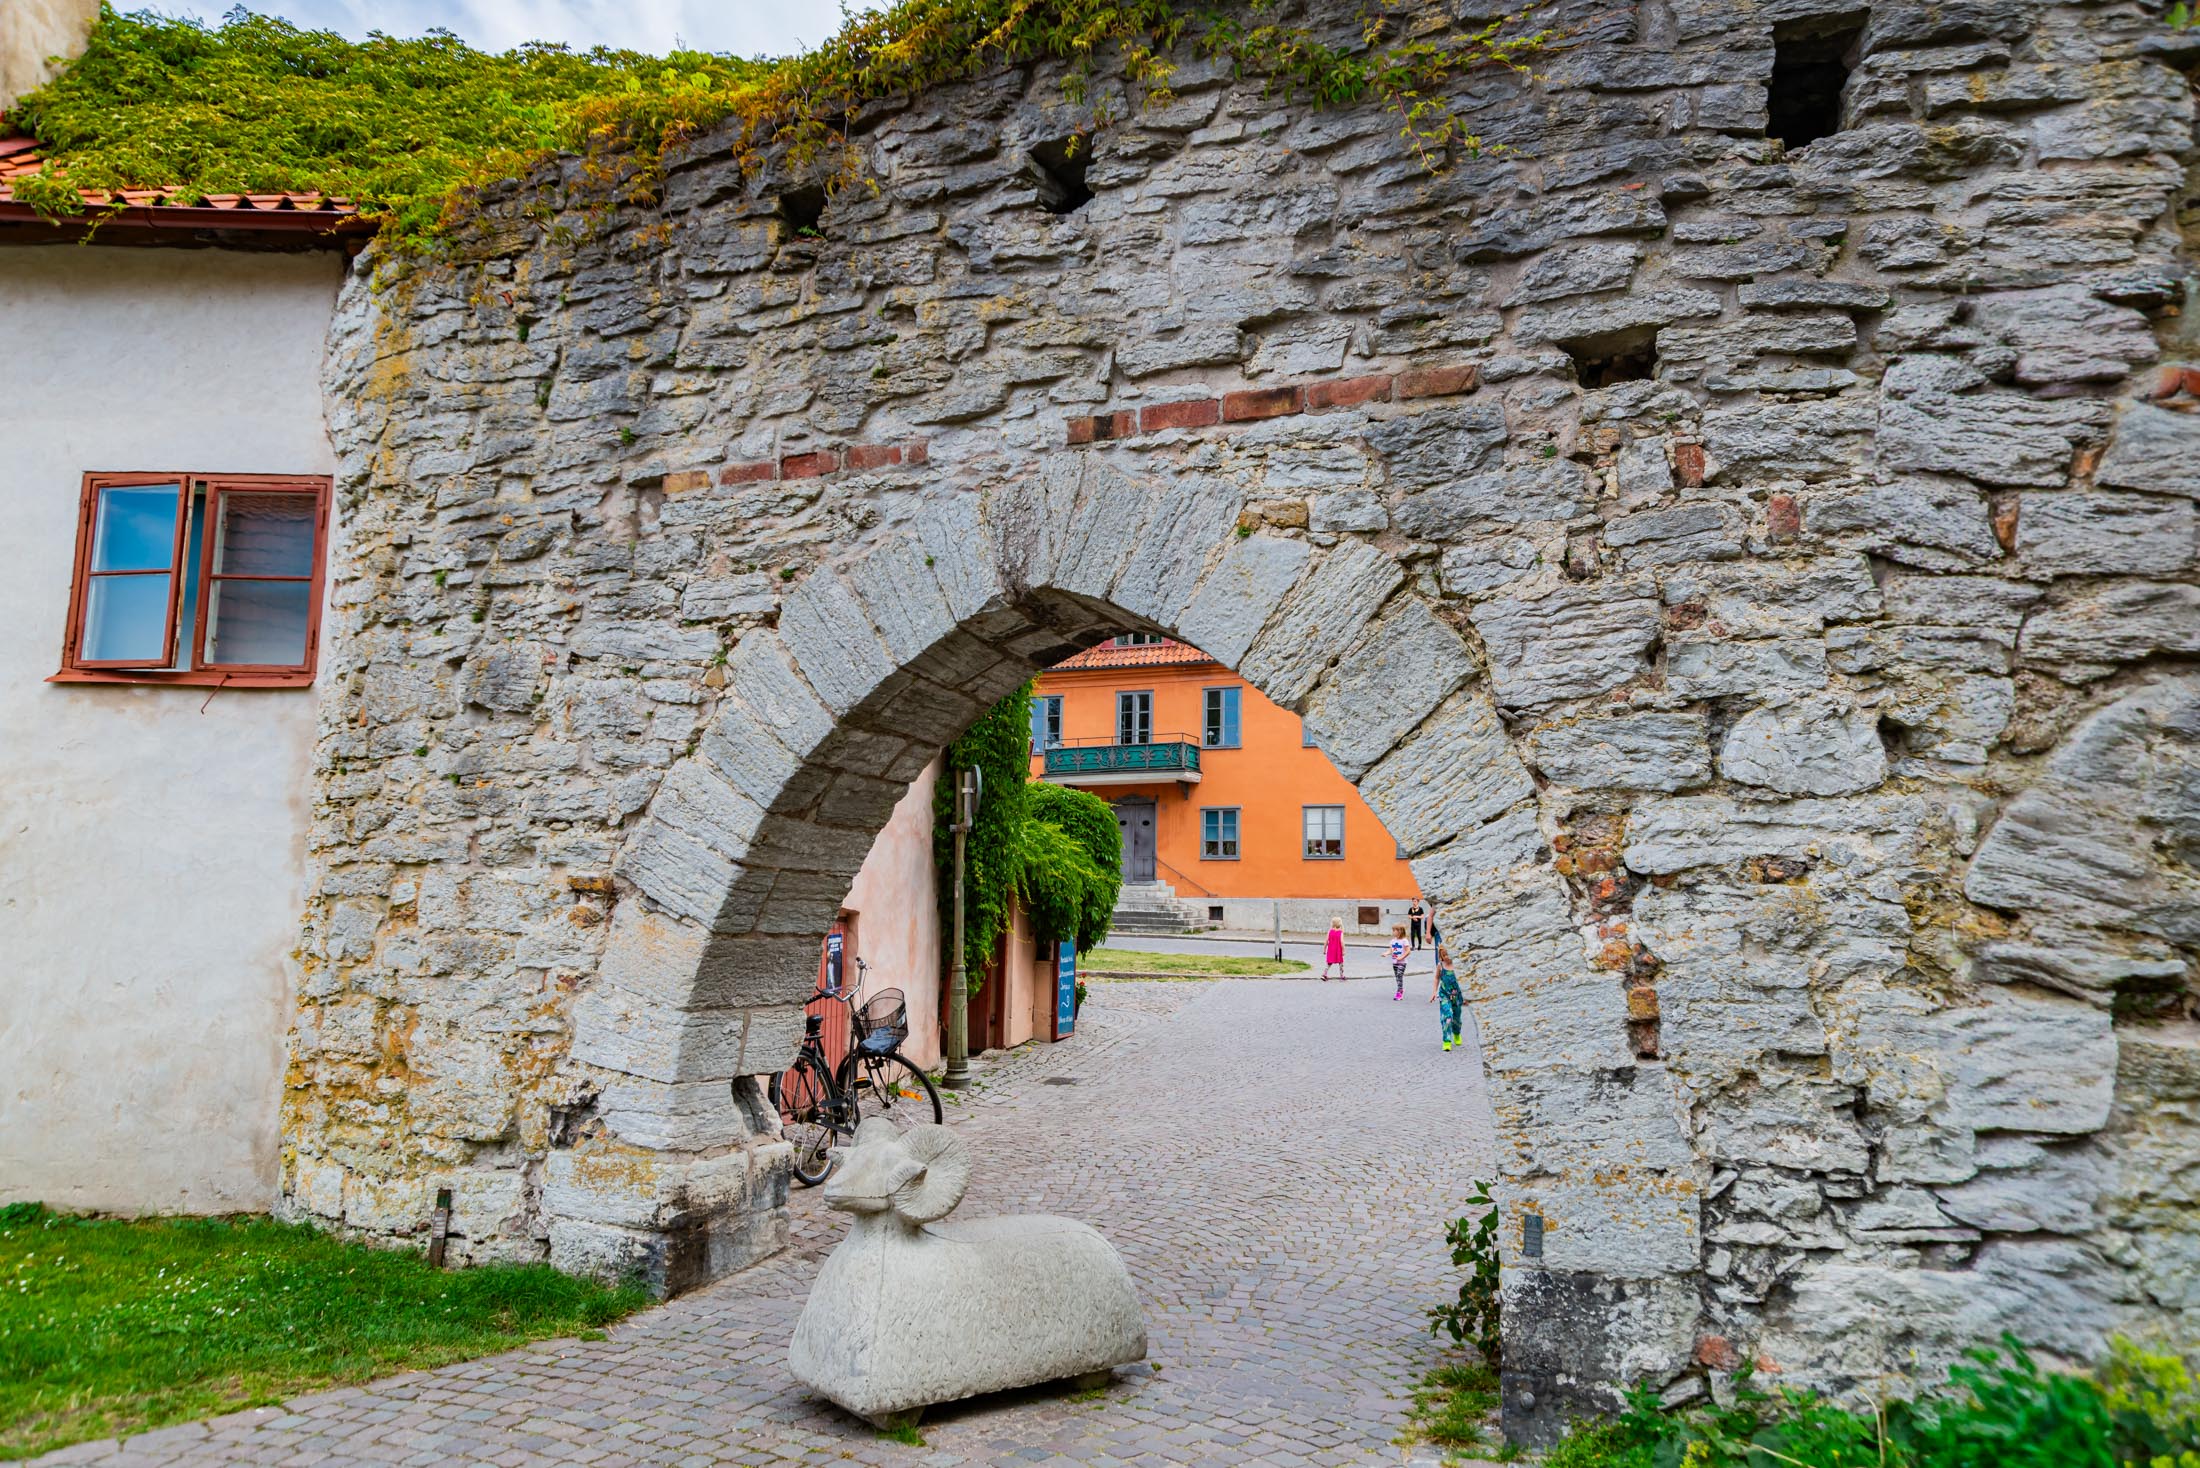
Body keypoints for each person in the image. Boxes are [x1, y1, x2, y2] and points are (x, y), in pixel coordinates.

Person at [1429, 943, 1465, 1052]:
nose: (1446, 958)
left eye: (1448, 955)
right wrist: (1434, 992)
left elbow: (1465, 982)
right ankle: (1447, 1040)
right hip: (1444, 995)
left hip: (1457, 996)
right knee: (1447, 1016)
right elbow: (1436, 978)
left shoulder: (1459, 965)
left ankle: (1457, 1033)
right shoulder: (1440, 965)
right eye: (1444, 955)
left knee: (1457, 1018)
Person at [1388, 923, 1409, 1000]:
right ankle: (1400, 989)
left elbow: (1408, 951)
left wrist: (1401, 957)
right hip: (1395, 962)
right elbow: (1391, 950)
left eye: (1394, 930)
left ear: (1399, 932)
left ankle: (1399, 992)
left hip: (1402, 962)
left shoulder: (1404, 941)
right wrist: (1386, 953)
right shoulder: (1392, 941)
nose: (1393, 932)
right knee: (1397, 977)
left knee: (1399, 975)